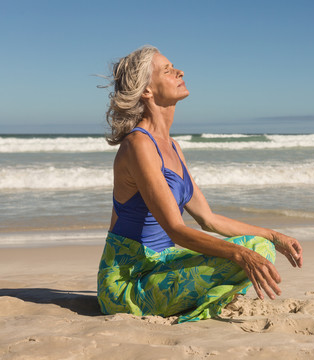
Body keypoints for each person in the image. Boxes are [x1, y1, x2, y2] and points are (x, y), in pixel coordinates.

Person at [97, 45, 303, 323]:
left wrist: (274, 236)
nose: (179, 72)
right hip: (129, 282)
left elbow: (208, 219)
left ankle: (201, 298)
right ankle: (203, 305)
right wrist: (240, 255)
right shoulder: (138, 145)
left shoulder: (173, 147)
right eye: (167, 70)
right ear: (146, 90)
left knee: (260, 247)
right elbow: (177, 230)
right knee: (248, 253)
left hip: (160, 267)